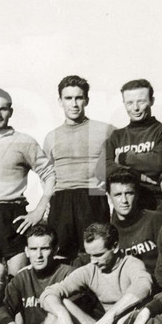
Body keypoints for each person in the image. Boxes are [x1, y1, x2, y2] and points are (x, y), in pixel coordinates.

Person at [0, 88, 55, 275]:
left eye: (3, 109)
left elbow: (50, 174)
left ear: (11, 112)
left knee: (17, 280)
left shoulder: (24, 141)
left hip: (13, 216)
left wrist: (39, 210)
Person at [38, 222, 152, 324]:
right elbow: (48, 293)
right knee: (60, 303)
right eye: (89, 255)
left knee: (135, 311)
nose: (93, 261)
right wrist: (62, 314)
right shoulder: (90, 269)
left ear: (115, 247)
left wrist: (111, 314)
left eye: (98, 255)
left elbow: (143, 286)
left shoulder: (131, 264)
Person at [42, 75, 115, 260]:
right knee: (60, 256)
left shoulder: (106, 130)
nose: (74, 104)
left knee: (95, 254)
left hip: (93, 197)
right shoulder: (51, 137)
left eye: (79, 98)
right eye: (68, 98)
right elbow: (48, 174)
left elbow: (117, 164)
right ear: (60, 101)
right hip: (62, 200)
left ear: (86, 100)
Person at [0, 224, 75, 324]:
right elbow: (2, 308)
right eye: (33, 249)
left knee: (61, 319)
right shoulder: (22, 277)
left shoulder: (68, 274)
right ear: (27, 251)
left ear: (55, 250)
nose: (38, 255)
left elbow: (71, 313)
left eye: (45, 248)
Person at [105, 79, 162, 211]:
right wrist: (138, 175)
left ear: (151, 101)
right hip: (124, 204)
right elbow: (102, 169)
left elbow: (158, 164)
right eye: (129, 103)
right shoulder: (116, 136)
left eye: (141, 101)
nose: (135, 108)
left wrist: (123, 158)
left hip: (156, 203)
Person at [106, 168, 162, 280]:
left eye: (129, 193)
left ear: (136, 195)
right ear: (109, 197)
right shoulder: (109, 233)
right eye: (117, 195)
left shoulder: (157, 220)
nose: (124, 200)